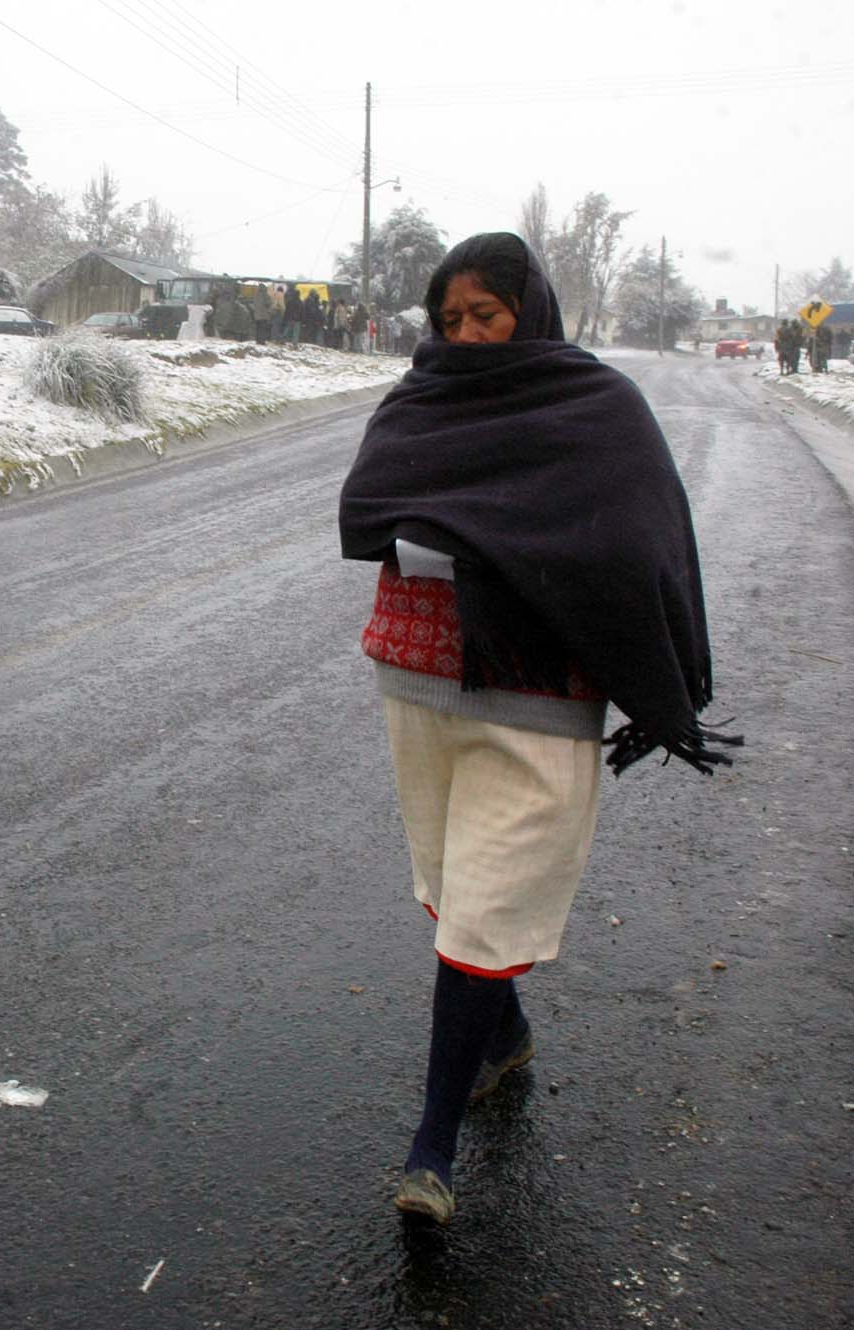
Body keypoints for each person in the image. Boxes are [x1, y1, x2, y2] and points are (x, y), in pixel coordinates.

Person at [337, 232, 740, 1226]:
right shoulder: (419, 399)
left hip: (535, 695)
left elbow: (636, 535)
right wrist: (483, 524)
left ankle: (430, 1148)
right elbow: (363, 507)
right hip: (419, 679)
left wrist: (508, 544)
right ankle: (502, 1032)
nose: (466, 335)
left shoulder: (591, 406)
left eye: (486, 315)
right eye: (450, 319)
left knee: (487, 898)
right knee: (452, 886)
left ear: (534, 310)